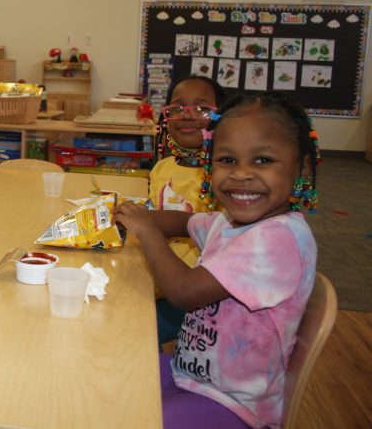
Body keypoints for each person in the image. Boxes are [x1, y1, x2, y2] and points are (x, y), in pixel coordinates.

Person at [114, 91, 320, 428]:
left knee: (134, 417)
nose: (241, 174)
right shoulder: (230, 222)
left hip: (233, 405)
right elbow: (183, 222)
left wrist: (147, 233)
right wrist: (133, 215)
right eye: (227, 160)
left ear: (302, 167)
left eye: (263, 161)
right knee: (107, 377)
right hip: (190, 376)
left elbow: (184, 291)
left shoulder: (277, 238)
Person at [151, 76, 229, 345]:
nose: (188, 116)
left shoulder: (224, 177)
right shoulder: (162, 168)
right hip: (155, 277)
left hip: (193, 295)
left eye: (202, 109)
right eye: (178, 107)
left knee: (127, 326)